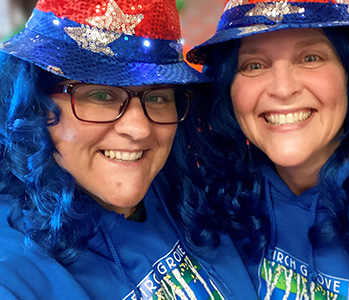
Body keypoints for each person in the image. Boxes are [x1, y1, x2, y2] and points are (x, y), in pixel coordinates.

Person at [0, 0, 258, 299]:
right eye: (100, 94)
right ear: (35, 105)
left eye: (158, 97)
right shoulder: (14, 270)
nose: (139, 129)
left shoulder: (189, 190)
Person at [182, 0, 349, 299]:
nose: (283, 89)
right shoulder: (210, 203)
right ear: (226, 91)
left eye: (310, 58)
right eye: (253, 65)